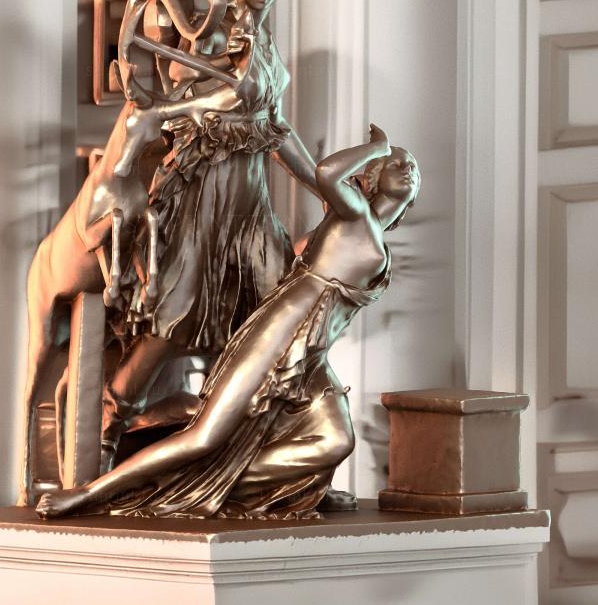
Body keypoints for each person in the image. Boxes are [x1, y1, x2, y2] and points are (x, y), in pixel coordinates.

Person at [36, 124, 421, 519]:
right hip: (278, 337)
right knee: (204, 437)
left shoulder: (371, 234)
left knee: (335, 440)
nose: (409, 169)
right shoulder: (354, 213)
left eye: (413, 167)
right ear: (373, 177)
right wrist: (377, 147)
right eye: (398, 163)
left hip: (311, 355)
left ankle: (236, 484)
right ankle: (90, 494)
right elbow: (325, 173)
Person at [99, 0, 321, 472]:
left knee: (280, 319)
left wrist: (324, 188)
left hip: (250, 209)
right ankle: (109, 424)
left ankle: (275, 455)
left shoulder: (265, 43)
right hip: (204, 198)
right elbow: (178, 88)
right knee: (176, 318)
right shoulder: (214, 27)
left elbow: (275, 128)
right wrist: (208, 97)